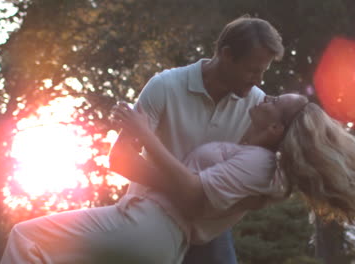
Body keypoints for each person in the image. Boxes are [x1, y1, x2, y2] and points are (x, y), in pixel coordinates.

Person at [0, 93, 355, 264]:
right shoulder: (255, 159)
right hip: (157, 237)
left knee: (27, 238)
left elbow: (193, 192)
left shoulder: (262, 167)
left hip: (151, 226)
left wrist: (143, 135)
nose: (267, 96)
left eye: (277, 101)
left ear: (278, 128)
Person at [116, 16, 285, 264]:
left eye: (263, 72)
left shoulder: (257, 106)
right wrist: (190, 193)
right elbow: (120, 159)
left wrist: (201, 197)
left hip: (208, 229)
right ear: (226, 55)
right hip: (148, 214)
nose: (258, 81)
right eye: (252, 70)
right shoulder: (165, 86)